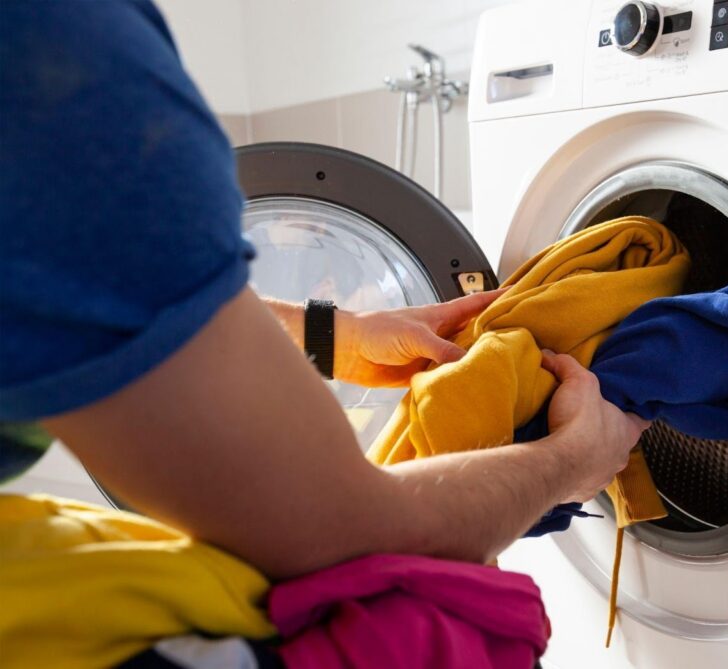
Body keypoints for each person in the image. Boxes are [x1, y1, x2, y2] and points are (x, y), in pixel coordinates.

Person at [0, 0, 646, 581]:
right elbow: (337, 530)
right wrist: (569, 460)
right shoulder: (62, 54)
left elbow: (100, 292)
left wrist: (340, 336)